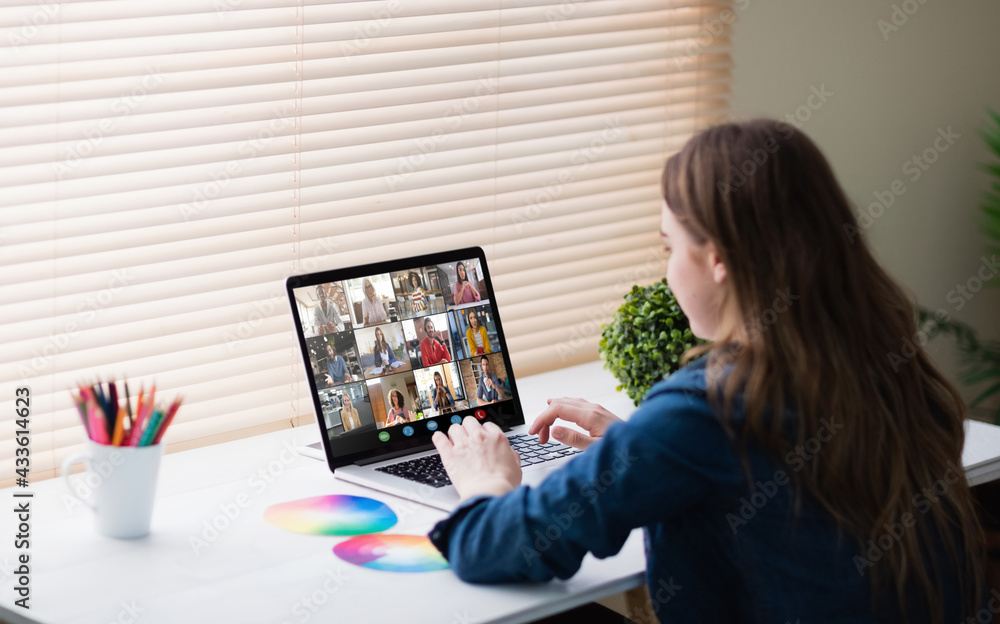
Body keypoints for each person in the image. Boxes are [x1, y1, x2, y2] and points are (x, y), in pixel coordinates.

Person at [426, 119, 986, 624]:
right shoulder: (889, 364)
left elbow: (495, 546)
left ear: (717, 259)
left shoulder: (710, 408)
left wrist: (485, 482)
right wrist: (638, 447)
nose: (666, 268)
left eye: (670, 245)